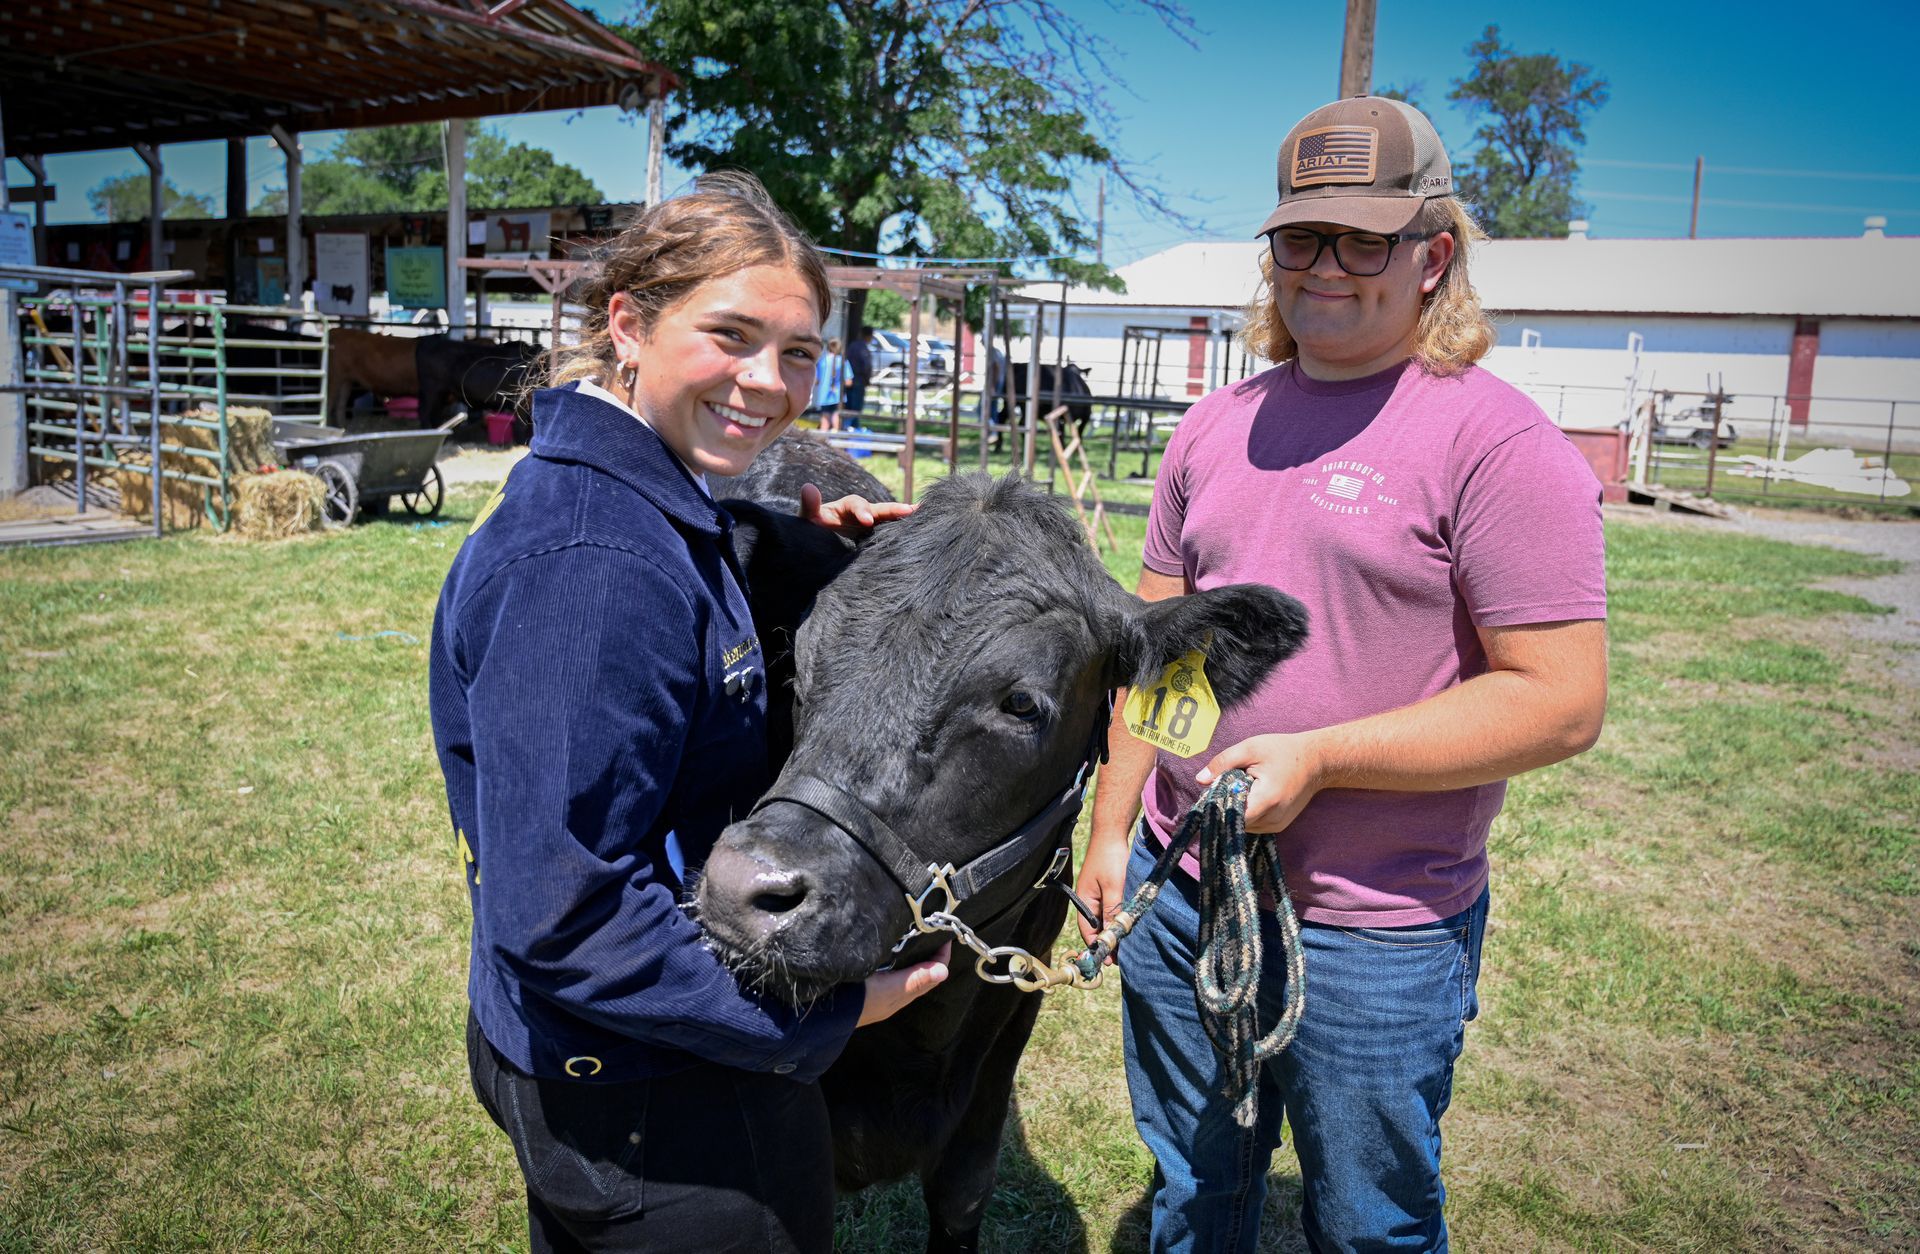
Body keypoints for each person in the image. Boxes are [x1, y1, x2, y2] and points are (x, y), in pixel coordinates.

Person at [1074, 96, 1609, 1253]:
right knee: (1189, 1197)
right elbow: (1160, 660)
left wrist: (1324, 758)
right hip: (1183, 896)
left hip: (1377, 928)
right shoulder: (1212, 429)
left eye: (1365, 239)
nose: (1327, 266)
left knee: (1370, 1225)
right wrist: (1113, 834)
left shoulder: (1497, 445)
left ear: (1435, 256)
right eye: (1301, 237)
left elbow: (1561, 702)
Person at [429, 172, 944, 1254]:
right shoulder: (597, 561)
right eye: (731, 336)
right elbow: (565, 913)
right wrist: (827, 1016)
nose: (768, 382)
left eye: (798, 352)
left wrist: (821, 564)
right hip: (658, 1087)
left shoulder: (651, 502)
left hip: (607, 1054)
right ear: (629, 324)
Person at [810, 334, 852, 431]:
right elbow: (849, 382)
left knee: (824, 423)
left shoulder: (822, 361)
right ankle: (836, 442)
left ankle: (822, 442)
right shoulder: (843, 362)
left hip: (824, 395)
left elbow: (816, 381)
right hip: (838, 396)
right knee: (836, 420)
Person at [843, 321, 873, 417]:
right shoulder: (863, 348)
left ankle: (846, 425)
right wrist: (867, 379)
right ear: (869, 336)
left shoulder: (852, 346)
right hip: (859, 379)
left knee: (849, 404)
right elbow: (866, 365)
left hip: (848, 378)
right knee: (856, 406)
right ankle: (853, 425)